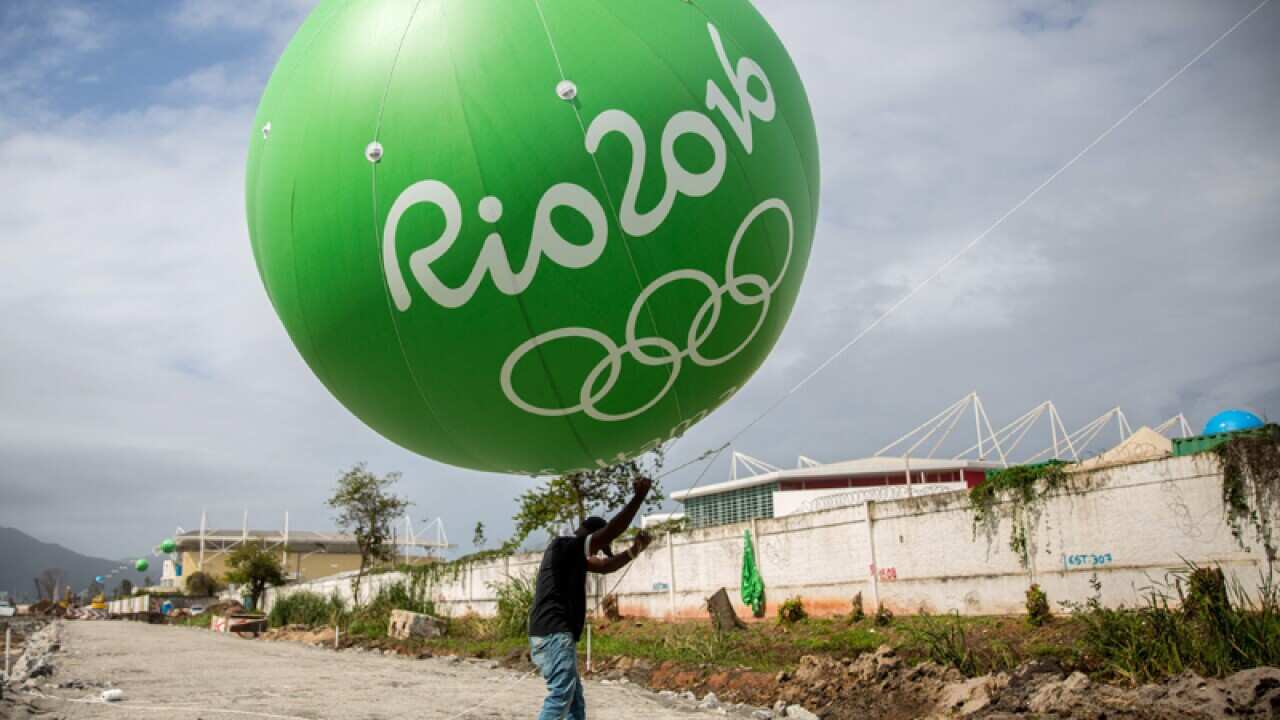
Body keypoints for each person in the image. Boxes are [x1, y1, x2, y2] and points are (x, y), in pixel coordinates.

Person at [527, 476, 655, 720]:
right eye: (597, 547)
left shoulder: (571, 557)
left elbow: (607, 566)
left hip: (552, 635)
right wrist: (638, 498)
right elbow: (609, 533)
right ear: (589, 536)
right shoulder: (564, 546)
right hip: (554, 634)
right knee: (560, 698)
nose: (597, 554)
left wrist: (635, 549)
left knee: (575, 704)